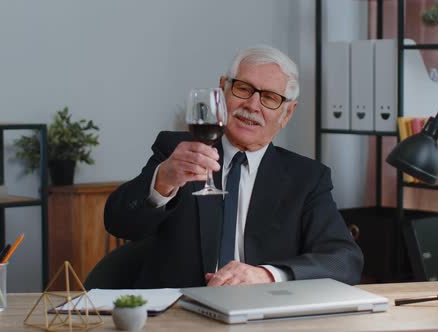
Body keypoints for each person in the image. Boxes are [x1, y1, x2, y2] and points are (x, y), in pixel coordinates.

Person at [104, 46, 363, 288]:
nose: (252, 105)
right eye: (243, 89)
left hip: (260, 314)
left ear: (287, 113)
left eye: (270, 98)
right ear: (222, 90)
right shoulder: (178, 152)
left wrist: (267, 274)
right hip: (180, 312)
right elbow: (119, 223)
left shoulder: (306, 178)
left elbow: (344, 259)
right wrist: (163, 181)